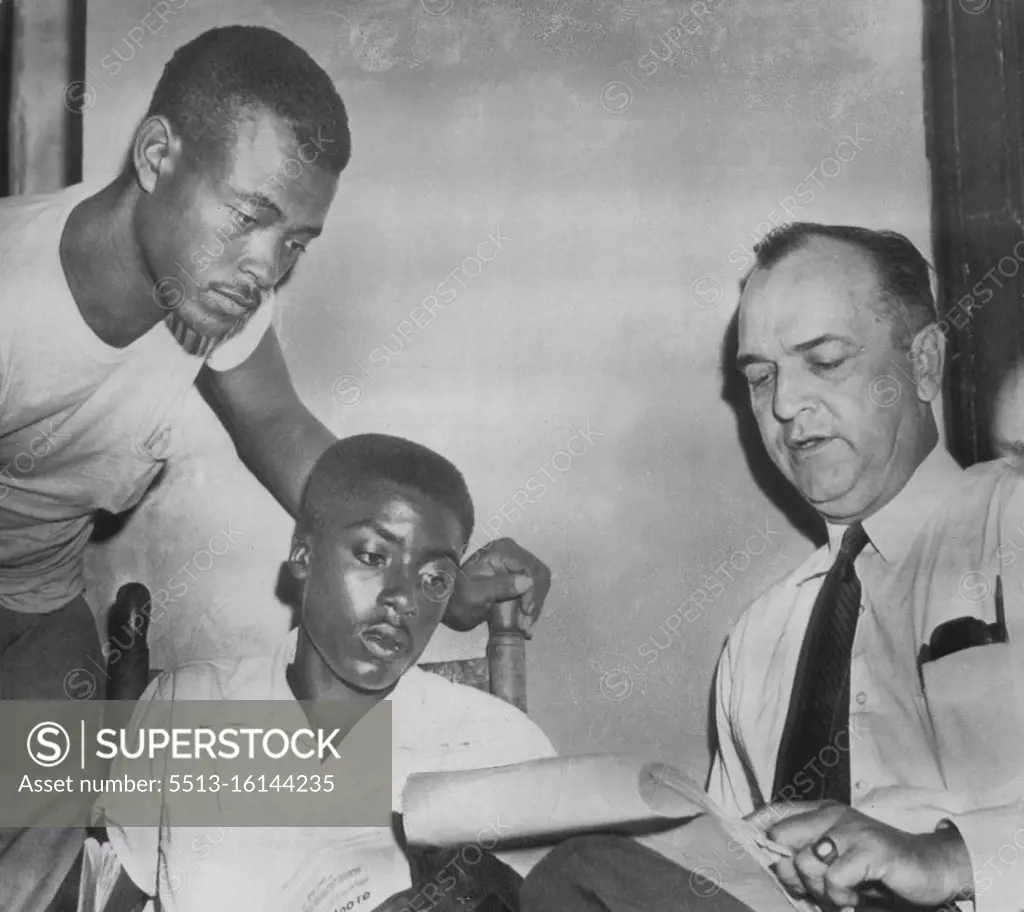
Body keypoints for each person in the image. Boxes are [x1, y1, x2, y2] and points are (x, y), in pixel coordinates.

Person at [0, 25, 549, 911]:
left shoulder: (214, 300)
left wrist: (423, 563)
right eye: (250, 216)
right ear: (155, 155)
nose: (267, 269)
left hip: (36, 595)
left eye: (295, 241)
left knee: (47, 819)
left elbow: (290, 439)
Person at [521, 223, 1024, 911]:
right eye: (761, 378)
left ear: (925, 363)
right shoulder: (759, 641)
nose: (785, 406)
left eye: (824, 360)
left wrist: (948, 856)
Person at [96, 433, 557, 911]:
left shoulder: (496, 742)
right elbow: (110, 891)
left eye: (434, 578)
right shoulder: (188, 702)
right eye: (374, 556)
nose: (403, 598)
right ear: (303, 555)